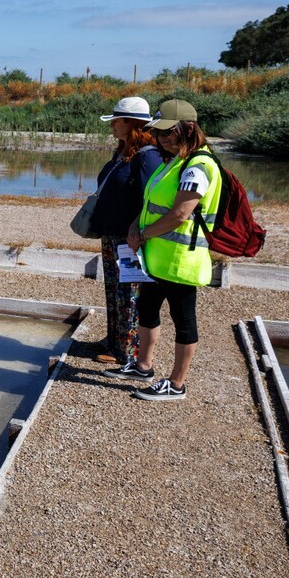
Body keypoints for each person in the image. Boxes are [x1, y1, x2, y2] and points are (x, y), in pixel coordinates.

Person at [106, 100, 222, 401]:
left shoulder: (199, 165)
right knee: (146, 309)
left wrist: (143, 233)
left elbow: (179, 214)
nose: (162, 139)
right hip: (157, 258)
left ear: (189, 128)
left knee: (184, 321)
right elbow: (152, 204)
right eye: (159, 133)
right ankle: (143, 366)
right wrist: (135, 224)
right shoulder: (175, 161)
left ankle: (177, 384)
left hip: (181, 260)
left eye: (169, 132)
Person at [87, 97, 161, 365]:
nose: (112, 126)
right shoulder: (122, 152)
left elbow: (150, 199)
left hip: (129, 239)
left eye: (116, 121)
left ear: (132, 123)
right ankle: (114, 339)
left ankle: (127, 351)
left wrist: (138, 233)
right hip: (112, 234)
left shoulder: (148, 156)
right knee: (113, 291)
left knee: (129, 294)